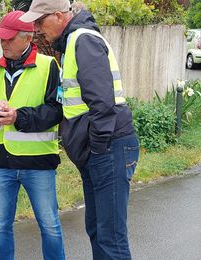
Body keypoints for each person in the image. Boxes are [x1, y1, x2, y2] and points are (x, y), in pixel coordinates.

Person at [20, 1, 140, 259]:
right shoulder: (72, 43)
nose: (37, 28)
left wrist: (96, 148)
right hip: (100, 150)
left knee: (110, 236)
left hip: (108, 148)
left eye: (41, 21)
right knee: (97, 229)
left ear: (60, 15)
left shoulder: (82, 40)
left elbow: (102, 102)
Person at [0, 10, 65, 260]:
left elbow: (56, 111)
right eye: (1, 38)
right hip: (1, 163)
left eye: (9, 38)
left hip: (38, 163)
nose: (3, 43)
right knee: (1, 227)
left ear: (27, 37)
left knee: (49, 226)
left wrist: (18, 117)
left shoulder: (48, 66)